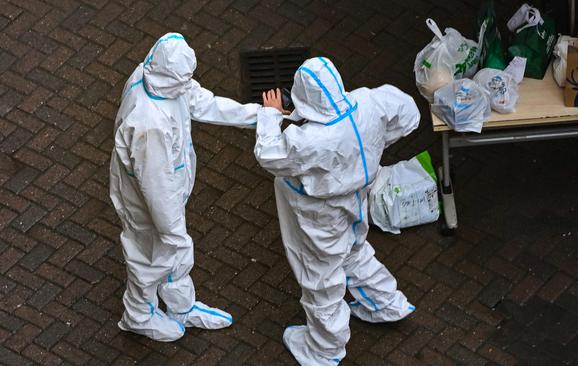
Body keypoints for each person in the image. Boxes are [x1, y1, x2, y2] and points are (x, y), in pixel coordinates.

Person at [255, 57, 419, 365]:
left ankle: (324, 349)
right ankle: (385, 303)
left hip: (321, 214)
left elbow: (269, 155)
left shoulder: (308, 140)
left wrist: (270, 116)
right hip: (357, 198)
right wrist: (377, 143)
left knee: (321, 275)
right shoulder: (368, 101)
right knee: (354, 250)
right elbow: (409, 114)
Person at [109, 33, 260, 342]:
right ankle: (138, 314)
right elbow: (157, 189)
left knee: (168, 253)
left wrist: (258, 116)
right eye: (185, 79)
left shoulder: (155, 76)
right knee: (149, 256)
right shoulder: (148, 124)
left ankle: (180, 307)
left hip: (165, 193)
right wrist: (175, 232)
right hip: (148, 202)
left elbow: (202, 101)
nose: (189, 84)